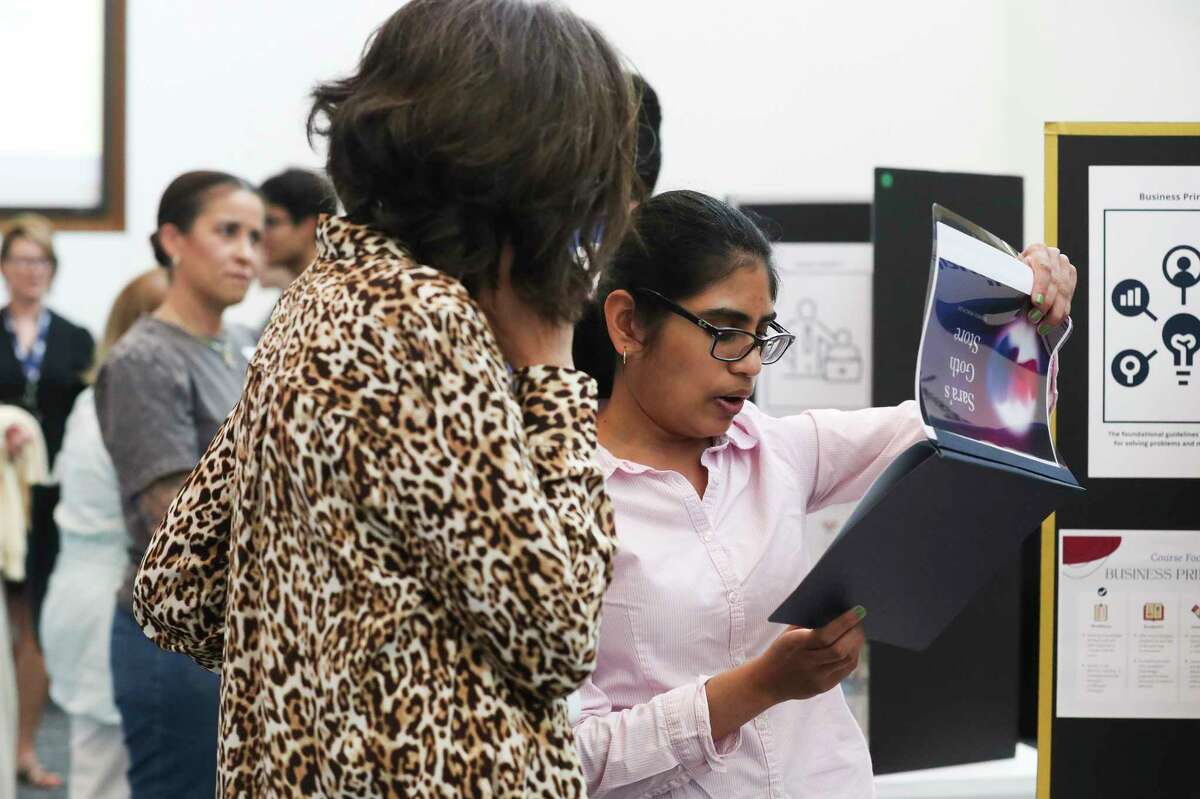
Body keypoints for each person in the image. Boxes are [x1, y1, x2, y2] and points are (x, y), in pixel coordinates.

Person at [131, 1, 635, 795]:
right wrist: (551, 377)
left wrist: (337, 649)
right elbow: (557, 636)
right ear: (535, 165)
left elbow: (177, 590)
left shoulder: (324, 291)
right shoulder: (423, 320)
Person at [572, 190, 1077, 798]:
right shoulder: (562, 500)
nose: (750, 364)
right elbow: (574, 757)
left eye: (763, 335)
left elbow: (961, 426)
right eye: (726, 331)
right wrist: (759, 686)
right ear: (628, 324)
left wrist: (1024, 326)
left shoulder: (772, 451)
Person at [95, 172, 263, 799]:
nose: (246, 252)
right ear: (172, 239)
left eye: (255, 234)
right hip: (174, 635)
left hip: (239, 632)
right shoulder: (145, 360)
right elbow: (173, 520)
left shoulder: (244, 343)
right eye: (227, 232)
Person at [40, 269, 168, 799]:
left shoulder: (95, 400)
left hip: (88, 591)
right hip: (104, 598)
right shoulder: (122, 406)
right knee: (105, 772)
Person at [1, 213, 94, 790]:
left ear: (52, 271)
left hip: (54, 500)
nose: (31, 271)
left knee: (34, 625)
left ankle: (26, 748)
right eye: (20, 260)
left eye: (41, 261)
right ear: (5, 268)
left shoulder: (77, 337)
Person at [258, 167, 337, 292]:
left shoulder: (348, 289)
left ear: (309, 226)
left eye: (272, 223)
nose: (261, 235)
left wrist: (289, 286)